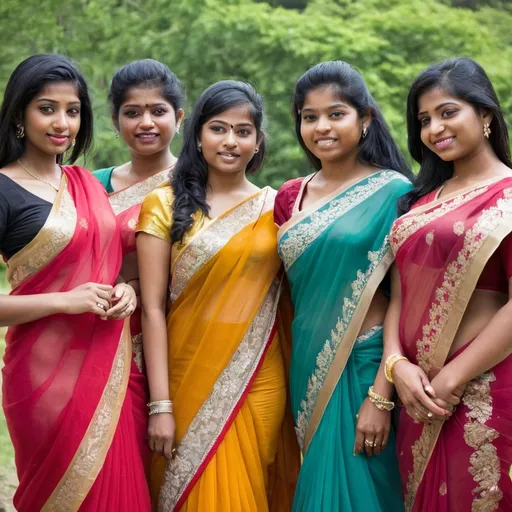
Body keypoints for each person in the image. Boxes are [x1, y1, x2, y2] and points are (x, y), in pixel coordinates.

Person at [136, 80, 299, 511]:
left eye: (243, 131)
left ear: (258, 141)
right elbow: (152, 310)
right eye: (218, 128)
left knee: (251, 490)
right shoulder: (163, 204)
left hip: (260, 377)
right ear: (198, 136)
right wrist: (161, 404)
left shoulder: (278, 208)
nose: (230, 141)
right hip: (184, 376)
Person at [0, 54, 150, 511]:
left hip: (114, 366)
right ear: (20, 115)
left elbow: (114, 269)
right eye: (47, 108)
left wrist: (130, 290)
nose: (62, 121)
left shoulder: (84, 182)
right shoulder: (3, 189)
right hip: (43, 377)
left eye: (73, 109)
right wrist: (66, 301)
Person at [274, 60, 412, 511]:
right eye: (309, 117)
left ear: (365, 119)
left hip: (364, 369)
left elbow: (404, 298)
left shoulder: (395, 193)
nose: (321, 127)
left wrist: (382, 395)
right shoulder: (290, 196)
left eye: (336, 114)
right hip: (304, 365)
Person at [388, 57, 512, 511]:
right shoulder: (420, 202)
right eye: (424, 120)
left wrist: (451, 379)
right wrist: (396, 365)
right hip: (415, 392)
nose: (434, 128)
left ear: (484, 116)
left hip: (479, 389)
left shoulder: (508, 195)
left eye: (447, 112)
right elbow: (399, 293)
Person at [93, 59, 185, 469]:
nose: (146, 122)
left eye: (158, 111)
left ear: (179, 118)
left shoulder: (200, 184)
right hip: (96, 340)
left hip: (177, 342)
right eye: (132, 113)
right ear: (115, 120)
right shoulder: (90, 185)